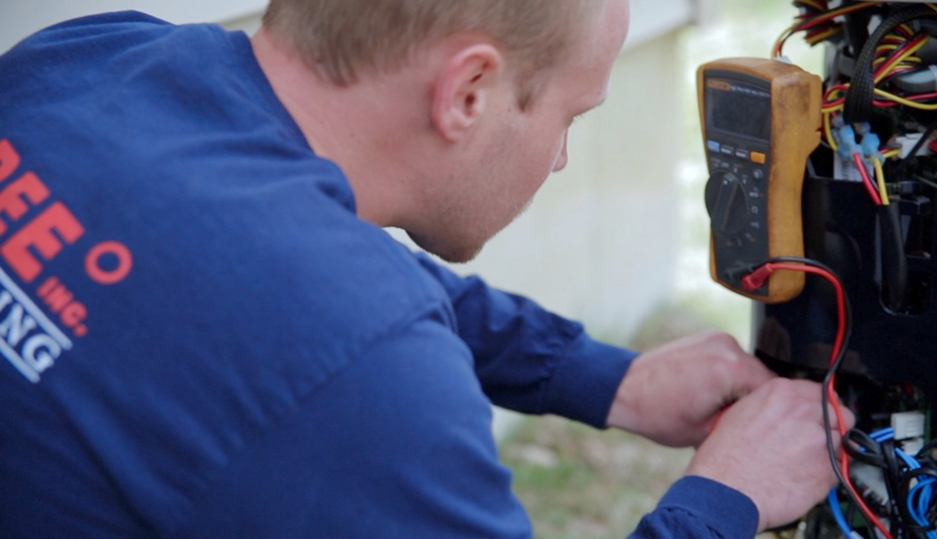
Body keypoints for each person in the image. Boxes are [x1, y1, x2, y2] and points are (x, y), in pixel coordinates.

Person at [0, 0, 853, 537]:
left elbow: (275, 281)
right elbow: (339, 331)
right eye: (570, 114)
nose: (559, 157)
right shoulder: (358, 373)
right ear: (468, 92)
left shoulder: (85, 58)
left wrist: (602, 377)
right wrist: (725, 497)